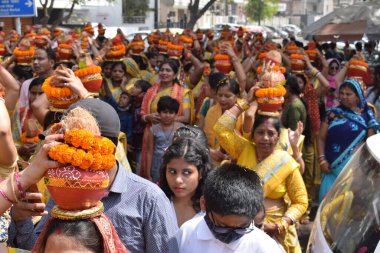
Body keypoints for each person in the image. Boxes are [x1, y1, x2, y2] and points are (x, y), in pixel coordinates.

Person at [8, 98, 179, 253]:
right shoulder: (65, 188)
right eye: (60, 145)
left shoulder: (148, 198)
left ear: (105, 147)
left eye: (70, 146)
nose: (60, 153)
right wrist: (20, 218)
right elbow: (36, 248)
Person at [214, 99, 308, 252]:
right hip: (240, 225)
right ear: (252, 135)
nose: (265, 138)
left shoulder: (286, 162)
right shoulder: (244, 149)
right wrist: (244, 102)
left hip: (274, 230)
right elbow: (221, 128)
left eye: (271, 133)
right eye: (260, 132)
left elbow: (301, 201)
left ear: (278, 137)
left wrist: (281, 225)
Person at [175, 163, 284, 253]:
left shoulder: (266, 247)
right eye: (222, 226)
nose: (231, 235)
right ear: (204, 204)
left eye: (241, 228)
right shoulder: (187, 233)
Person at [317, 79, 379, 203]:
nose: (344, 97)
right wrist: (322, 159)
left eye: (348, 94)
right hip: (331, 168)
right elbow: (321, 137)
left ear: (357, 97)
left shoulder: (367, 117)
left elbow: (370, 143)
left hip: (354, 170)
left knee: (347, 207)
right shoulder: (332, 114)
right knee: (326, 205)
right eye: (342, 93)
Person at [160, 138, 212, 227]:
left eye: (187, 172)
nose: (178, 180)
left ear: (201, 173)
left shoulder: (212, 208)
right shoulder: (157, 203)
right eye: (172, 172)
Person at [147, 96, 184, 182]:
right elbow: (149, 151)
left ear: (176, 114)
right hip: (157, 165)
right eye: (164, 112)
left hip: (175, 163)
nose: (167, 115)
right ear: (159, 112)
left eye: (171, 112)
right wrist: (148, 173)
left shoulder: (180, 128)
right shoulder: (154, 129)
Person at [129, 79, 151, 173]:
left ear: (144, 92)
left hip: (141, 139)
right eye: (134, 86)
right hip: (132, 138)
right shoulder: (132, 102)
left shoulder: (145, 104)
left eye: (137, 87)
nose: (133, 88)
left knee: (139, 163)